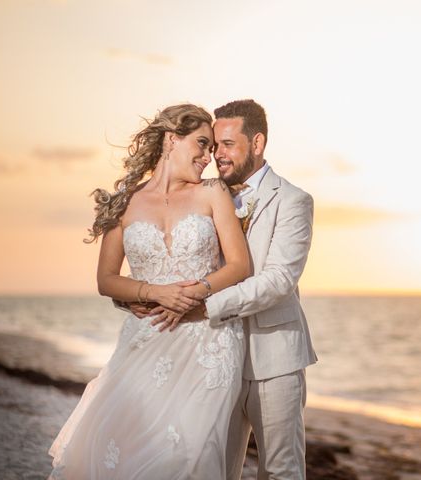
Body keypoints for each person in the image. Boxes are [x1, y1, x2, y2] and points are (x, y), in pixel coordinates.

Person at [48, 104, 251, 479]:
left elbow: (240, 266)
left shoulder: (212, 192)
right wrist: (156, 292)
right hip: (147, 337)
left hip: (208, 343)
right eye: (202, 144)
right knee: (126, 445)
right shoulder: (126, 202)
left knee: (186, 453)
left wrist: (195, 294)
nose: (209, 158)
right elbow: (106, 279)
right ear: (172, 139)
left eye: (210, 149)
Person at [148, 99, 317, 479]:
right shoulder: (205, 194)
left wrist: (203, 306)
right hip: (213, 358)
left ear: (257, 144)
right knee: (214, 468)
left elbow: (278, 281)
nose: (215, 155)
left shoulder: (293, 200)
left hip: (274, 360)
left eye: (226, 144)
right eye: (210, 145)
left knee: (280, 471)